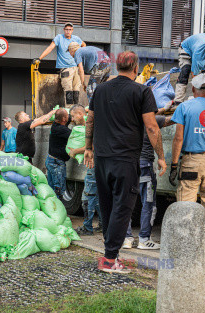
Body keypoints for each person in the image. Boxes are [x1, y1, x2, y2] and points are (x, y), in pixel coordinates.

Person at [84, 51, 167, 274]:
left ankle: (110, 254)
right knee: (123, 209)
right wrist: (160, 155)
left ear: (117, 66)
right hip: (126, 159)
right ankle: (110, 259)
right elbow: (151, 127)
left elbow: (90, 119)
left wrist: (89, 147)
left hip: (102, 159)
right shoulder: (142, 90)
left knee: (108, 207)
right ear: (135, 68)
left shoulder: (100, 89)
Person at [169, 73, 205, 242]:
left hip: (191, 163)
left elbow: (178, 138)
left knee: (186, 206)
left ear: (192, 88)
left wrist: (173, 165)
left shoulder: (184, 107)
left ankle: (186, 248)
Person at [122, 115, 174, 250]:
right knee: (148, 203)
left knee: (125, 202)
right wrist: (161, 157)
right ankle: (144, 239)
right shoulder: (152, 118)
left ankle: (126, 239)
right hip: (144, 165)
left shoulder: (125, 117)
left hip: (126, 164)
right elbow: (173, 119)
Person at [67, 105, 102, 236]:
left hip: (94, 163)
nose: (72, 119)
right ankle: (102, 225)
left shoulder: (90, 123)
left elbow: (92, 144)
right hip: (99, 162)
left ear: (81, 114)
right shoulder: (91, 121)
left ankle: (87, 227)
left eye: (73, 115)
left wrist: (75, 150)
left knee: (88, 195)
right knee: (97, 195)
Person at [33, 23, 86, 105]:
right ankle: (69, 110)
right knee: (68, 90)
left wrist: (81, 56)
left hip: (76, 67)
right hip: (66, 68)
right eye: (66, 29)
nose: (68, 31)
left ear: (72, 30)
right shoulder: (59, 38)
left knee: (76, 90)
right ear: (64, 30)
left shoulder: (76, 38)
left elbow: (84, 45)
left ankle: (76, 109)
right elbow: (50, 47)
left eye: (70, 29)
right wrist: (40, 58)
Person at [45, 108, 72, 198]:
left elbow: (65, 120)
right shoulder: (61, 129)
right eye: (67, 116)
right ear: (64, 119)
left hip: (51, 161)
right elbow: (74, 136)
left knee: (51, 190)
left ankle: (51, 210)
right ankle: (57, 210)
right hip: (56, 164)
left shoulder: (55, 125)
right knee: (58, 191)